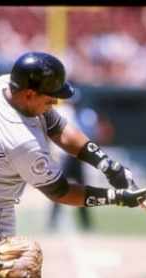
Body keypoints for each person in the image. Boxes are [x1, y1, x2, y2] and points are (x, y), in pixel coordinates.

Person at [0, 51, 146, 278]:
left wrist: (107, 164)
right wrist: (116, 197)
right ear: (29, 94)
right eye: (50, 97)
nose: (55, 102)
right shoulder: (22, 142)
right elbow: (61, 192)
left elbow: (58, 128)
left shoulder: (0, 86)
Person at [47, 88, 93, 231]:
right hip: (64, 156)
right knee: (60, 189)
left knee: (82, 188)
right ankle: (53, 220)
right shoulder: (62, 111)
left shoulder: (81, 114)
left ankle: (85, 222)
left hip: (76, 157)